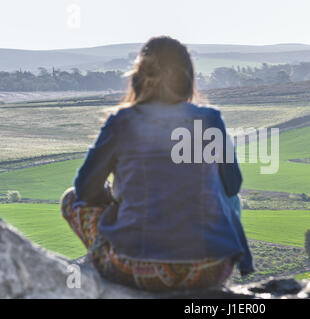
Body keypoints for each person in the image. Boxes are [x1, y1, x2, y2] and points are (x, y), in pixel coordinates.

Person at [60, 36, 254, 291]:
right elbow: (233, 185)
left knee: (70, 198)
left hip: (137, 269)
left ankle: (110, 262)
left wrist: (115, 199)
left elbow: (85, 189)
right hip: (211, 269)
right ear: (187, 77)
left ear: (139, 76)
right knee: (230, 199)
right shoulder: (210, 119)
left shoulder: (123, 120)